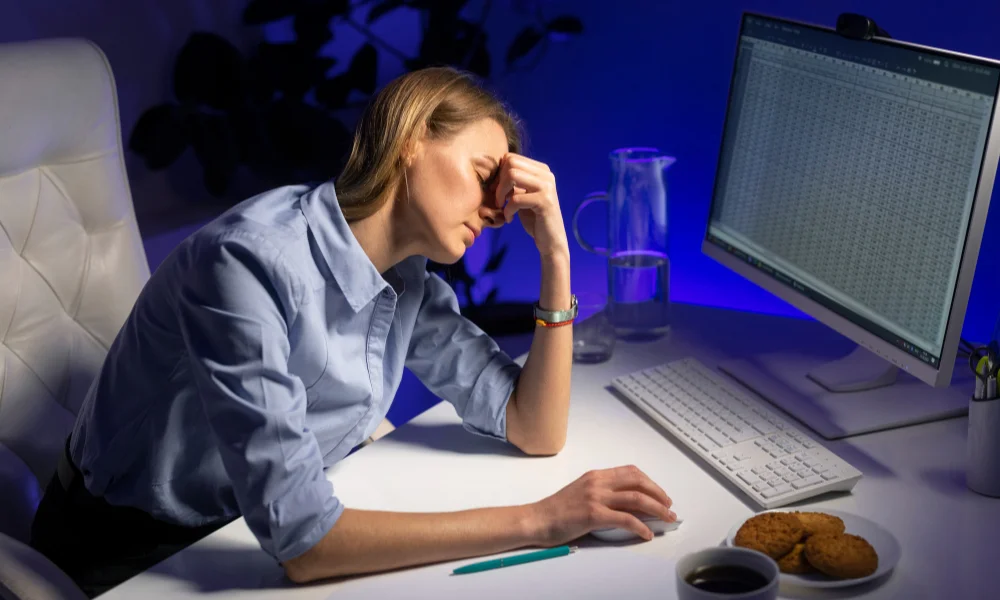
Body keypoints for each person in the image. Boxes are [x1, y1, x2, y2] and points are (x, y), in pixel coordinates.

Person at [29, 67, 676, 597]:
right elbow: (306, 544)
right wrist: (544, 520)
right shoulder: (246, 262)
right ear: (412, 139)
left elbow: (534, 427)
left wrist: (556, 255)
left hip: (243, 535)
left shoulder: (408, 282)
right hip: (131, 554)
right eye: (486, 175)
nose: (496, 209)